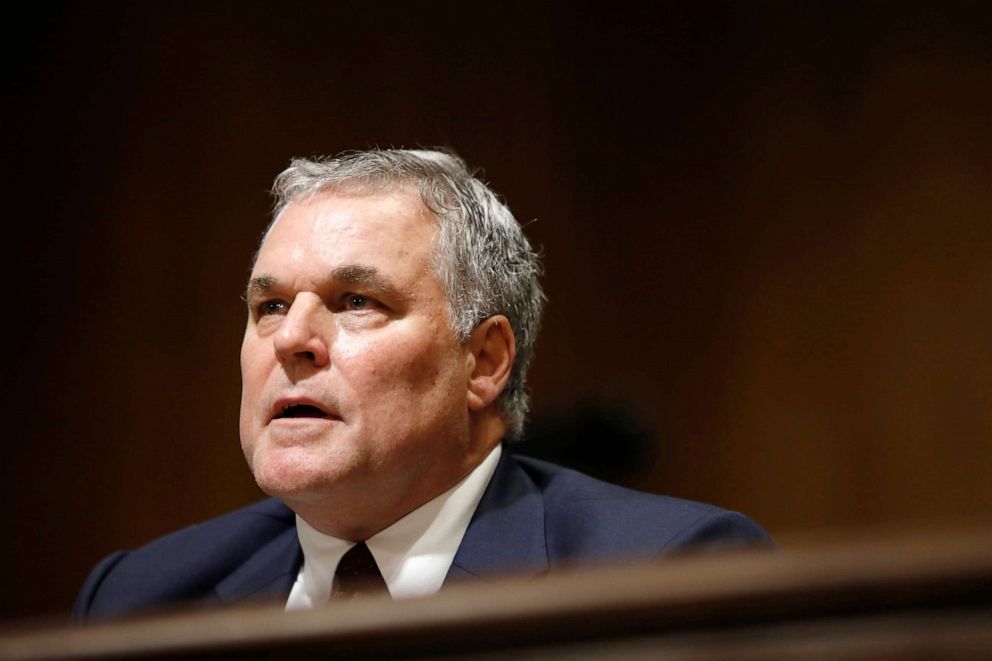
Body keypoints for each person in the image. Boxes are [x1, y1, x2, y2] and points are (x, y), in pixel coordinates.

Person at [74, 148, 772, 622]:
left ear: (486, 361)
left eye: (355, 301)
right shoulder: (141, 596)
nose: (290, 340)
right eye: (271, 306)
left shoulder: (664, 577)